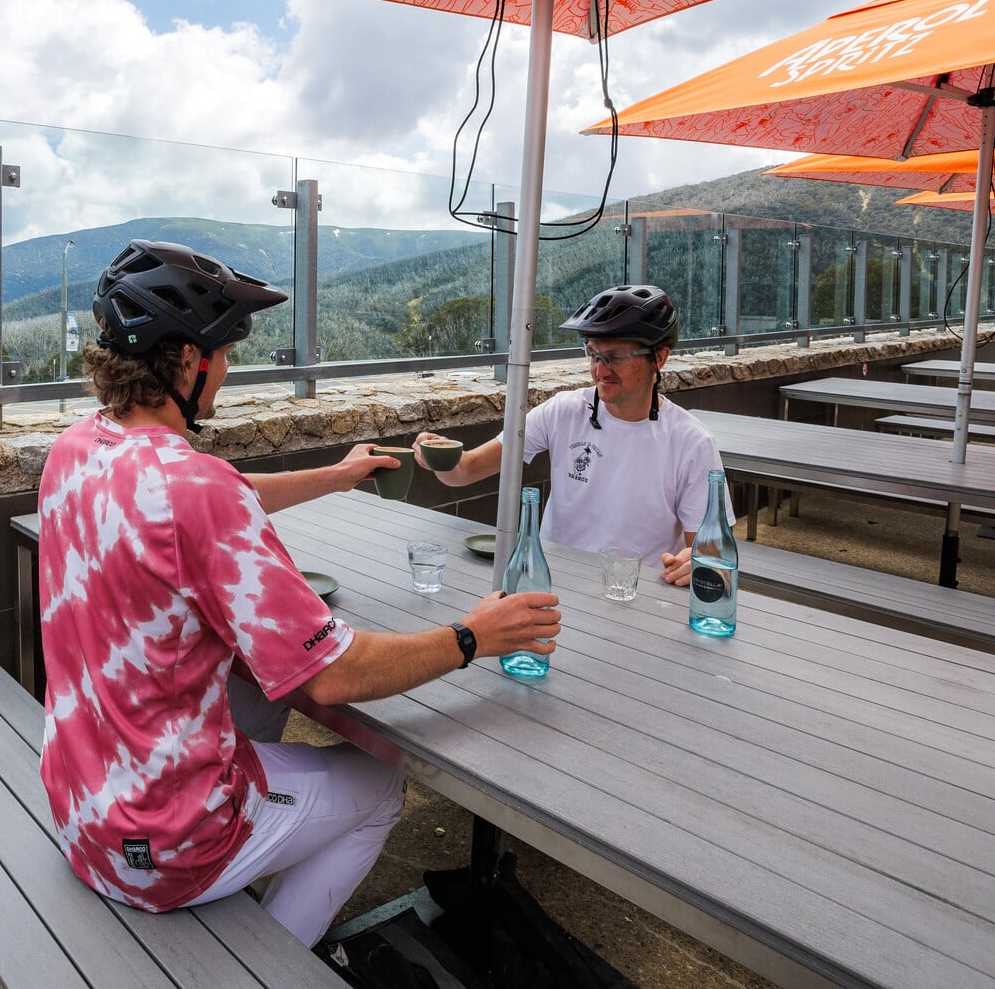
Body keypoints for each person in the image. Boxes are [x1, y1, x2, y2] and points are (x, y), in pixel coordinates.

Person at [37, 239, 561, 947]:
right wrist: (472, 637)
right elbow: (336, 675)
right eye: (225, 353)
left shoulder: (76, 450)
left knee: (253, 691)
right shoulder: (196, 489)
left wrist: (333, 477)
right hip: (160, 846)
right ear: (190, 361)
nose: (227, 370)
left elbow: (214, 494)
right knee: (380, 788)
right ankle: (273, 962)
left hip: (79, 807)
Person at [415, 284, 725, 589]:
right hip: (553, 585)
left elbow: (709, 554)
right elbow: (467, 469)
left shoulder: (692, 443)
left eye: (614, 357)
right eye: (593, 355)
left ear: (659, 357)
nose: (599, 371)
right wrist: (441, 458)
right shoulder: (562, 411)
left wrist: (696, 562)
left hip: (633, 596)